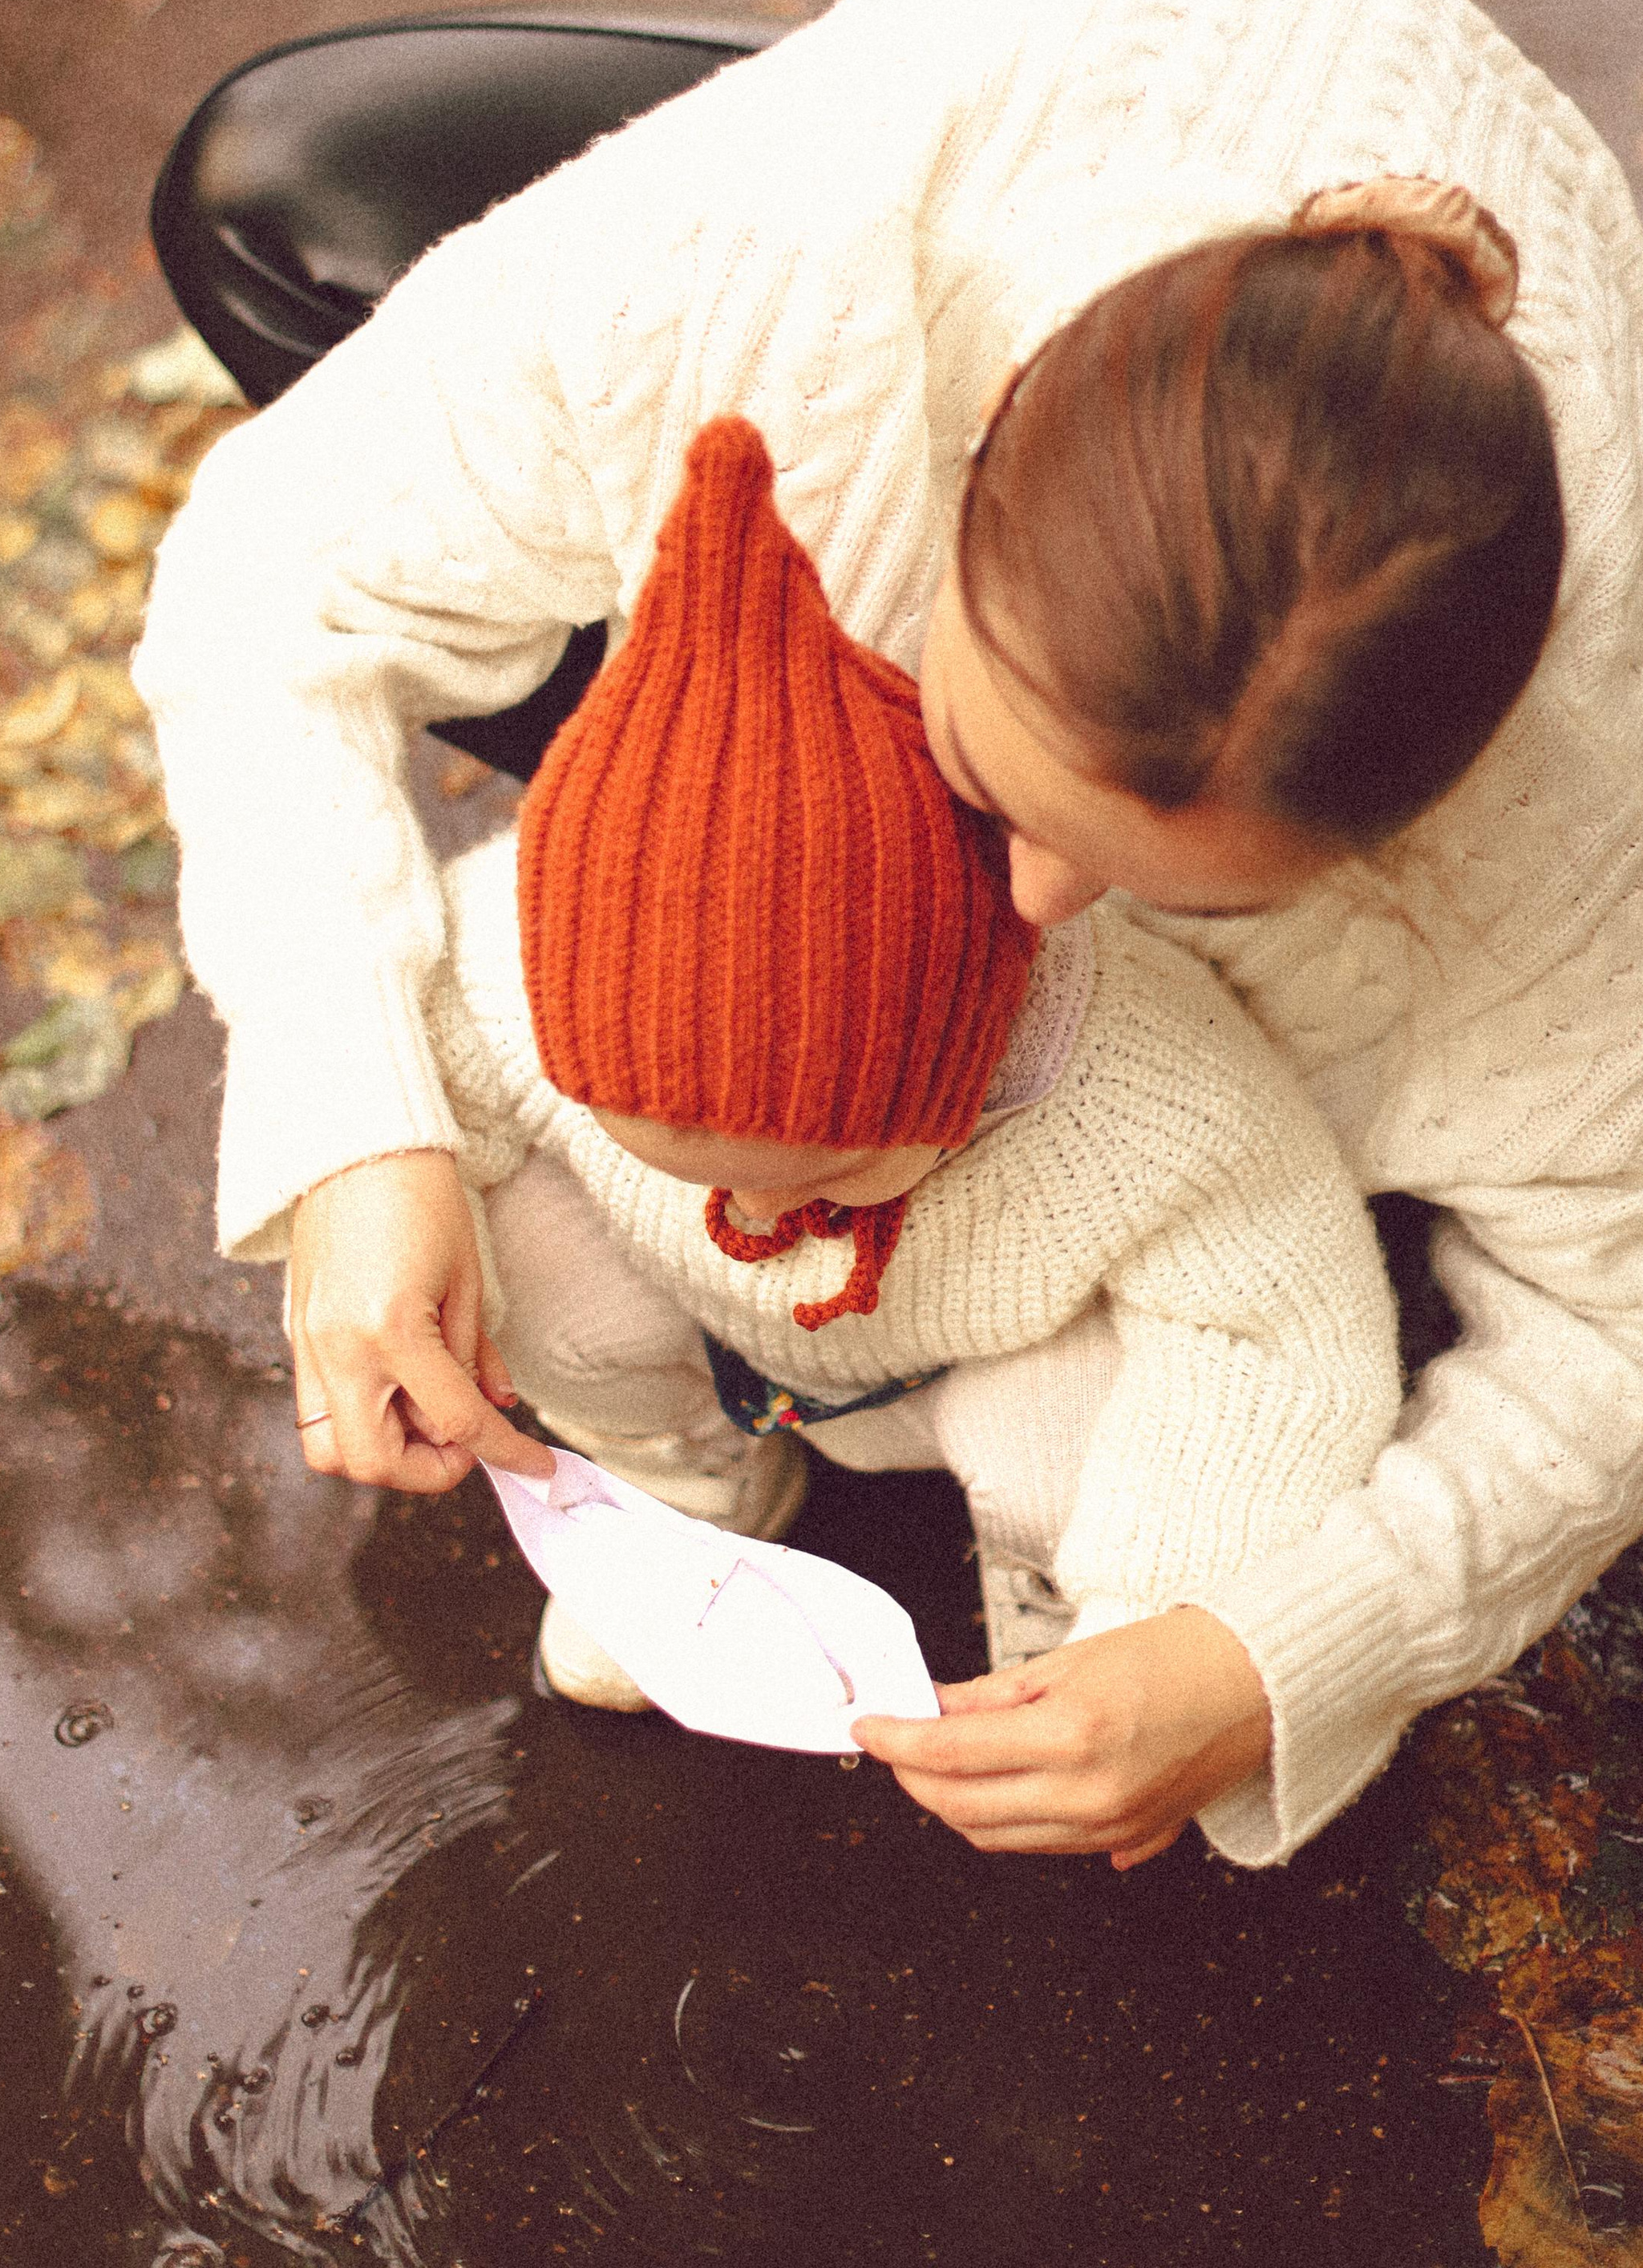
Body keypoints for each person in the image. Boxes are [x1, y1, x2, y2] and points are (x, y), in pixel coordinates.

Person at [132, 0, 1643, 1872]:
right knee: (269, 188)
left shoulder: (1574, 772)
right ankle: (715, 874)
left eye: (1178, 890)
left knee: (1315, 1271)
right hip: (1020, 104)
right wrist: (357, 1121)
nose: (1020, 916)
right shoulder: (783, 267)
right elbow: (267, 579)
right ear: (966, 465)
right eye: (980, 774)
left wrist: (1276, 1654)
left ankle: (1226, 1114)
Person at [422, 411, 1404, 1870]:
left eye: (822, 1171)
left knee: (1056, 1433)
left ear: (970, 1050)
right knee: (517, 1247)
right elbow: (413, 1042)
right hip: (716, 1347)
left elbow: (1275, 1333)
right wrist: (389, 1194)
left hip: (977, 1365)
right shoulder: (509, 966)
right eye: (677, 1156)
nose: (759, 1214)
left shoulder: (1146, 1095)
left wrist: (1166, 1607)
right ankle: (690, 1483)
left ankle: (1072, 1619)